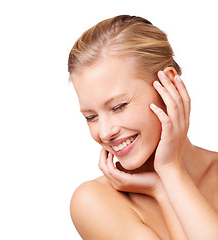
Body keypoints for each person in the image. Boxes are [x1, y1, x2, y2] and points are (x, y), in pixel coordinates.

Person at [68, 15, 218, 239]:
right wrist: (162, 186)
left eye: (118, 106)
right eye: (91, 117)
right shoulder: (94, 201)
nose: (105, 132)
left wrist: (169, 172)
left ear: (168, 85)